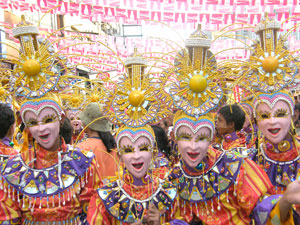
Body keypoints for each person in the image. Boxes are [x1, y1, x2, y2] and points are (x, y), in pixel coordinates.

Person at [167, 24, 300, 224]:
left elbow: (264, 214)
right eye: (185, 136)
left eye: (201, 137)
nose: (193, 146)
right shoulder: (173, 177)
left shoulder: (237, 167)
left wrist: (285, 202)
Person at [0, 17, 101, 224]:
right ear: (25, 125)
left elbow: (94, 214)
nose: (41, 128)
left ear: (60, 117)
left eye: (47, 119)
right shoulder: (12, 169)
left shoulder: (83, 163)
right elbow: (8, 218)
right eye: (33, 122)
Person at [77, 102, 119, 181]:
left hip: (91, 192)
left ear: (86, 123)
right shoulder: (115, 146)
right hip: (113, 191)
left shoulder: (81, 148)